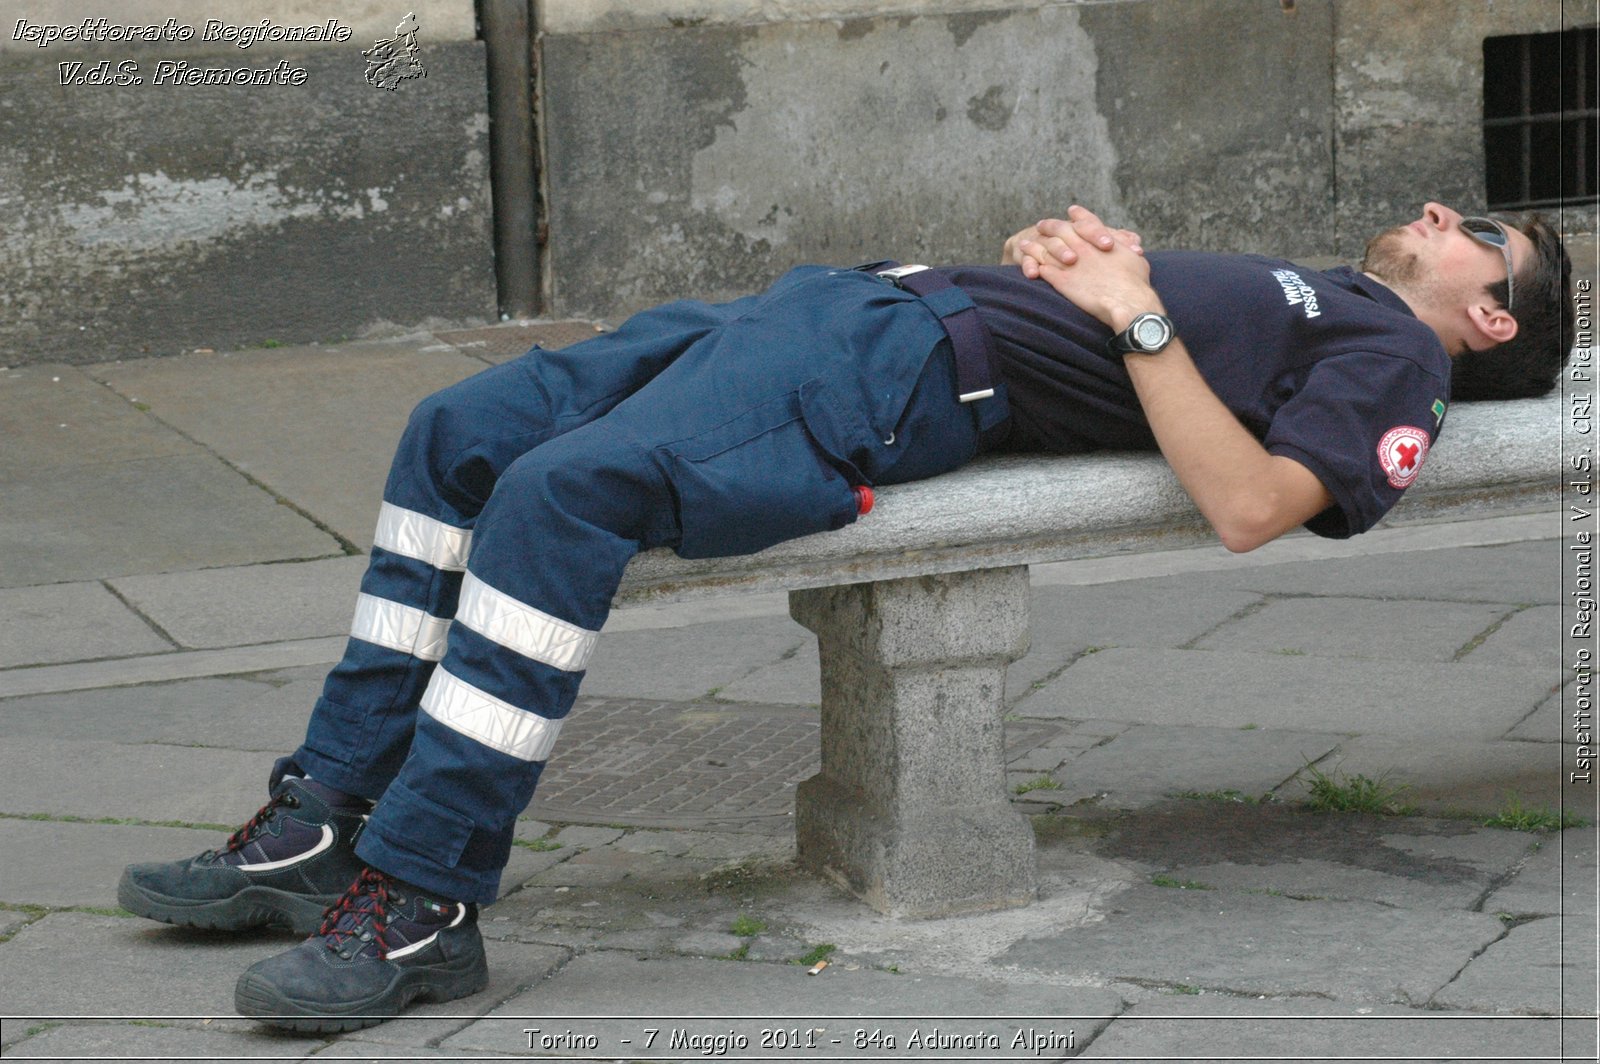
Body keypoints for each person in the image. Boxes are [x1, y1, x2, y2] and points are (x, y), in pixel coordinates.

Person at [118, 203, 1573, 1031]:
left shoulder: (1395, 358)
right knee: (458, 429)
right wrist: (1075, 268)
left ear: (1493, 318)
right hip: (838, 309)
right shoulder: (1328, 295)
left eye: (1475, 232)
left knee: (562, 499)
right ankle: (324, 817)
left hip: (887, 378)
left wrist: (1130, 311)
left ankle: (426, 895)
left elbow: (1257, 504)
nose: (1439, 215)